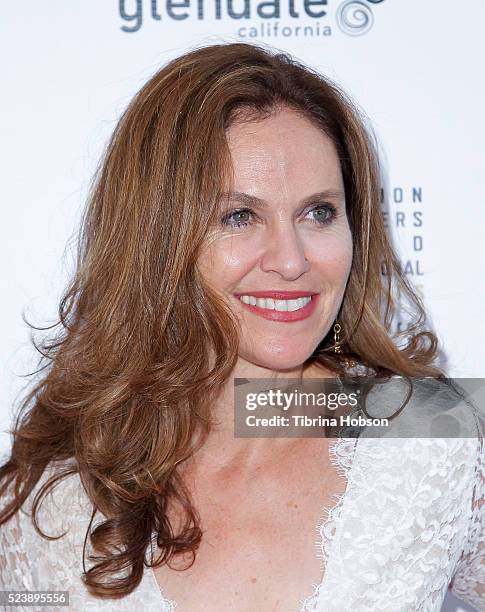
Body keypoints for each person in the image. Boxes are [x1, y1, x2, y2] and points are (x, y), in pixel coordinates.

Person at [0, 42, 483, 612]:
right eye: (239, 216)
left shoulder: (437, 439)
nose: (291, 259)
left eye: (319, 212)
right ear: (156, 240)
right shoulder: (52, 498)